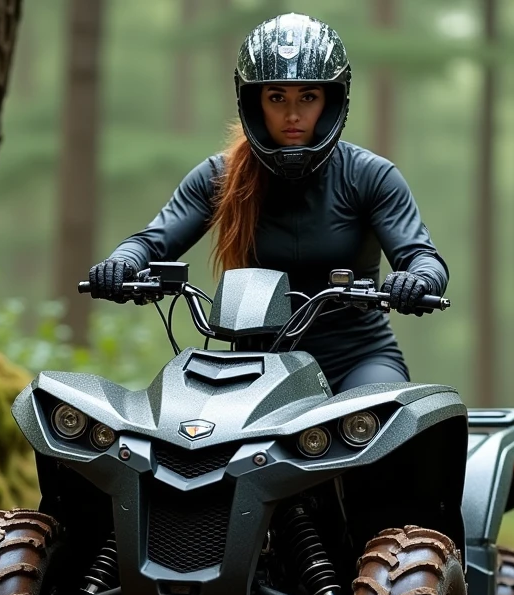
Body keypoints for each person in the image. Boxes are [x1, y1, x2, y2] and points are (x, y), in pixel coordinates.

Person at [89, 13, 449, 393]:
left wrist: (417, 279)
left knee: (383, 422)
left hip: (355, 364)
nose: (292, 114)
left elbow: (422, 256)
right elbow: (150, 242)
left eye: (308, 97)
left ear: (331, 102)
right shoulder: (220, 177)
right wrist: (121, 264)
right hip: (252, 370)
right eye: (277, 97)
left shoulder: (371, 176)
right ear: (253, 102)